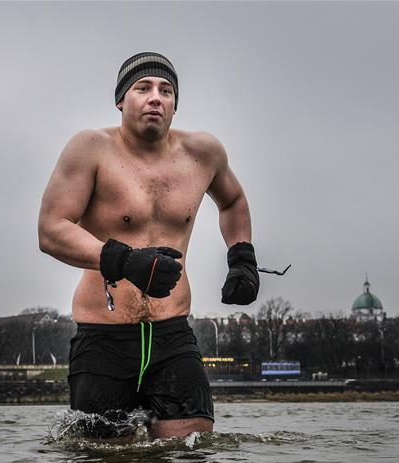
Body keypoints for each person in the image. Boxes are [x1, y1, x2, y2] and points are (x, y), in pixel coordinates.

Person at [38, 52, 259, 440]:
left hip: (172, 335)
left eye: (166, 90)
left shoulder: (204, 153)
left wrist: (242, 257)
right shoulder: (90, 148)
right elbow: (51, 230)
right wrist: (123, 261)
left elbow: (233, 201)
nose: (156, 97)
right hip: (103, 338)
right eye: (143, 88)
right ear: (121, 100)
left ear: (175, 105)